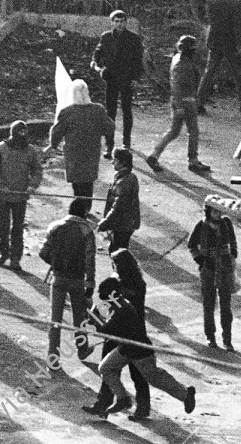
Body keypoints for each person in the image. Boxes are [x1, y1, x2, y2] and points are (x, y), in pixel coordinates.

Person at [85, 276, 196, 420]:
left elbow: (106, 331)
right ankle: (123, 399)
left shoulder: (123, 310)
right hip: (126, 348)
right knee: (105, 368)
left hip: (140, 351)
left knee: (154, 378)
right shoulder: (118, 305)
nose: (104, 302)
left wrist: (94, 322)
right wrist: (94, 318)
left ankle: (186, 394)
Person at [38, 199, 95, 368]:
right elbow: (90, 259)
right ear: (83, 212)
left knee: (55, 320)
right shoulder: (87, 230)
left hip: (58, 277)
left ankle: (53, 359)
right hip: (77, 280)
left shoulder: (55, 226)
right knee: (80, 318)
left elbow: (43, 252)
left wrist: (55, 263)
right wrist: (90, 283)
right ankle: (82, 349)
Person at [146, 36, 209, 174]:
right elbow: (177, 85)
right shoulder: (182, 63)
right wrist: (180, 105)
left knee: (174, 131)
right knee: (193, 131)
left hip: (182, 100)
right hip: (186, 101)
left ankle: (154, 154)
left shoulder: (179, 59)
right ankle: (193, 160)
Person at [45, 80, 112, 210]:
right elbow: (110, 127)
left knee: (77, 181)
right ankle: (87, 207)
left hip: (74, 152)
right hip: (91, 150)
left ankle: (78, 208)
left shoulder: (67, 112)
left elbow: (56, 132)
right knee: (88, 180)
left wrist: (53, 145)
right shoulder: (98, 109)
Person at [0, 121, 42, 270]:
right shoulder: (0, 148)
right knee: (2, 226)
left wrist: (32, 186)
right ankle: (4, 254)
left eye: (24, 134)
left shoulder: (30, 150)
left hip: (20, 196)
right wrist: (0, 185)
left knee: (17, 228)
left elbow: (37, 170)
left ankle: (16, 258)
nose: (21, 138)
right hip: (2, 196)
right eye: (19, 133)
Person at [91, 10, 145, 150]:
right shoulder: (106, 37)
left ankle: (126, 142)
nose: (119, 24)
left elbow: (138, 60)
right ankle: (109, 144)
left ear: (126, 22)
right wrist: (100, 67)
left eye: (122, 21)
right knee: (111, 112)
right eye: (116, 21)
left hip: (127, 78)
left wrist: (136, 78)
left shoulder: (133, 38)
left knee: (127, 110)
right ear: (111, 22)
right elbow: (97, 54)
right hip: (111, 78)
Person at [200, 0, 241, 113]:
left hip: (215, 40)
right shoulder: (236, 3)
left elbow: (210, 21)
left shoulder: (210, 1)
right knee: (238, 73)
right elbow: (237, 26)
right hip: (230, 41)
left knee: (209, 72)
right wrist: (240, 43)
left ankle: (199, 102)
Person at [188, 206, 239, 351]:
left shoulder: (226, 223)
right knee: (208, 305)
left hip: (224, 268)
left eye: (219, 211)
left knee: (226, 306)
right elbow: (191, 244)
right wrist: (200, 260)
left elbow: (233, 241)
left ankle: (227, 340)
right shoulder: (201, 225)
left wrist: (233, 255)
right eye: (215, 211)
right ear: (208, 212)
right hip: (208, 269)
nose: (218, 214)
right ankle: (210, 336)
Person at [97, 149, 140, 253]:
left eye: (114, 160)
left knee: (116, 252)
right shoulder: (130, 176)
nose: (112, 162)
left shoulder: (123, 182)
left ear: (123, 162)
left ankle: (120, 269)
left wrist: (106, 221)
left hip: (123, 224)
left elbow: (118, 206)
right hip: (126, 222)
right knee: (119, 250)